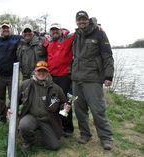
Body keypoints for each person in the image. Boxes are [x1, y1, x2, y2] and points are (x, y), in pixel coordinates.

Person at [71, 11, 114, 150]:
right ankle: (85, 134)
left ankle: (106, 138)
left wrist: (108, 76)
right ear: (76, 21)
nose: (81, 22)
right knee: (79, 109)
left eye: (84, 19)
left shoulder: (99, 33)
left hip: (93, 79)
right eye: (79, 20)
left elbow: (107, 55)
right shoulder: (76, 34)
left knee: (98, 110)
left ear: (88, 20)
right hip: (77, 79)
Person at [8, 61, 71, 150]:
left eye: (44, 71)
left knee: (55, 146)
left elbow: (62, 104)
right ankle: (28, 141)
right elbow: (15, 100)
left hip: (48, 119)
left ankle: (41, 134)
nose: (41, 73)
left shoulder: (56, 88)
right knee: (24, 125)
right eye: (39, 71)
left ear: (48, 72)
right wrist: (9, 108)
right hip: (31, 116)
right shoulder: (26, 84)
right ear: (35, 71)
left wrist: (65, 108)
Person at [46, 23, 75, 135]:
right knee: (53, 102)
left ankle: (68, 128)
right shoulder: (49, 42)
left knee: (66, 102)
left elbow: (78, 32)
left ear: (60, 30)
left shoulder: (67, 39)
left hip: (65, 77)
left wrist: (96, 24)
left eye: (56, 30)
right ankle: (57, 125)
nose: (54, 32)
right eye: (52, 30)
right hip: (52, 77)